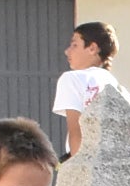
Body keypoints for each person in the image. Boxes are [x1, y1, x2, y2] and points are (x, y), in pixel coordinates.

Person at [51, 20, 123, 157]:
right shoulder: (115, 85)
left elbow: (76, 129)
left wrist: (80, 167)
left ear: (92, 48)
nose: (67, 51)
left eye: (74, 45)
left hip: (87, 160)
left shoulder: (73, 79)